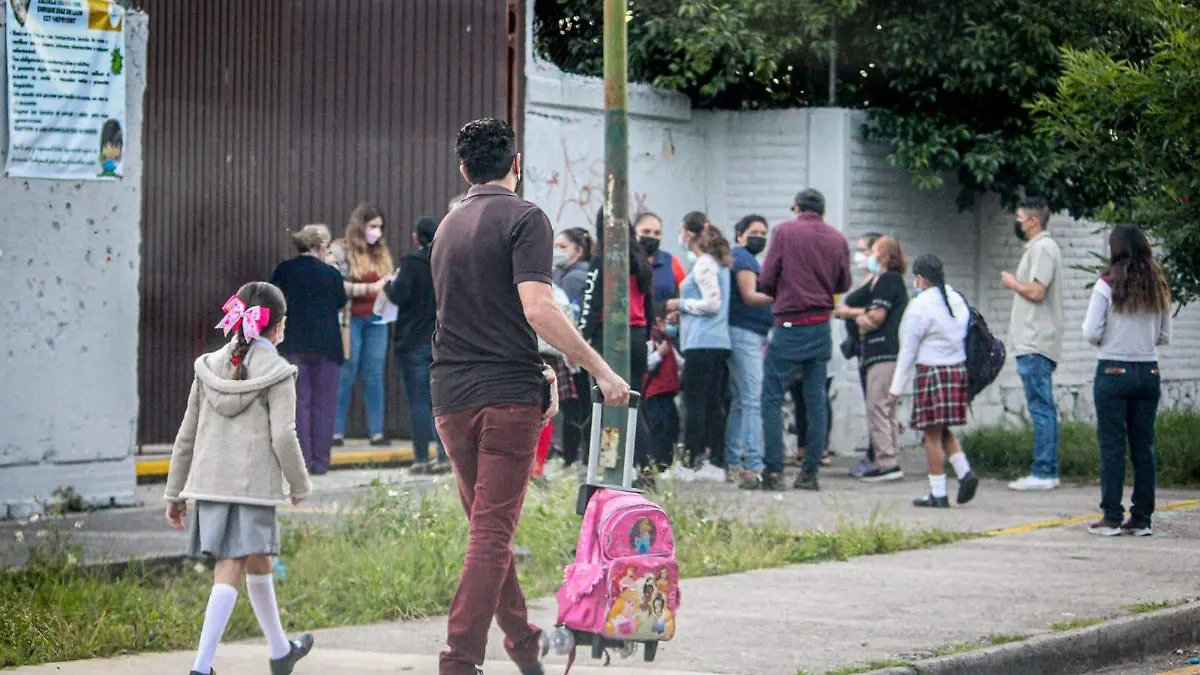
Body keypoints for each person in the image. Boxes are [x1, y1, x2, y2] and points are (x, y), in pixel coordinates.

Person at [430, 118, 629, 675]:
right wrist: (601, 372)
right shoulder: (526, 217)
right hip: (507, 398)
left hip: (450, 394)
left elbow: (465, 316)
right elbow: (537, 309)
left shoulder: (448, 225)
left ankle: (523, 641)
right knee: (492, 532)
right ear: (516, 165)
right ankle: (460, 660)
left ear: (464, 169)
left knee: (485, 530)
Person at [164, 282, 314, 675]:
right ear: (278, 327)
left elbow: (187, 434)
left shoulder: (207, 366)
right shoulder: (279, 372)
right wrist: (299, 485)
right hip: (252, 488)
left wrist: (174, 492)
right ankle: (201, 667)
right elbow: (284, 435)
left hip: (209, 484)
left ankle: (282, 652)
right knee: (232, 563)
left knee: (257, 558)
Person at [753, 189, 852, 492]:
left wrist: (779, 288)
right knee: (816, 399)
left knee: (771, 396)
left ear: (797, 208)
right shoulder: (837, 238)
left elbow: (767, 278)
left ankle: (772, 472)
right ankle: (809, 473)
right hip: (820, 326)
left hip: (789, 324)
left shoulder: (784, 232)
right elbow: (843, 282)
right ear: (821, 210)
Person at [1082, 225, 1172, 537]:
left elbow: (1091, 332)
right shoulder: (1157, 284)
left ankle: (1111, 517)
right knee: (1143, 447)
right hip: (1149, 373)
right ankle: (1142, 519)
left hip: (1113, 371)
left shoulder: (1107, 284)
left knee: (1112, 446)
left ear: (1115, 249)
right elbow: (1164, 335)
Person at [888, 255, 979, 508]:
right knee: (942, 428)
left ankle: (938, 493)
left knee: (930, 434)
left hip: (932, 373)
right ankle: (964, 473)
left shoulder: (920, 306)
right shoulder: (955, 299)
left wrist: (895, 390)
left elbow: (907, 350)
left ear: (920, 277)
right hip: (956, 370)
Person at [578, 211, 657, 479]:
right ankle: (644, 468)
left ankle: (609, 464)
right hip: (638, 337)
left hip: (609, 339)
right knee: (634, 402)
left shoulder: (603, 258)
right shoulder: (640, 259)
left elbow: (591, 299)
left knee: (606, 402)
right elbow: (649, 304)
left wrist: (581, 338)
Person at [270, 225, 348, 475]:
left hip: (294, 344)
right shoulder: (331, 274)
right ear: (321, 247)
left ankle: (301, 460)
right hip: (327, 346)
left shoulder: (284, 270)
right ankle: (320, 461)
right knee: (324, 405)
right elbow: (340, 303)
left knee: (299, 403)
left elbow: (275, 300)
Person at [1002, 196, 1065, 491]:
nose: (1017, 223)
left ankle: (1044, 471)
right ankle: (1045, 469)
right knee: (1041, 405)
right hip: (1031, 340)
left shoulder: (1043, 249)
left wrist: (1014, 283)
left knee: (1041, 406)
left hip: (1036, 340)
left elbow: (1038, 292)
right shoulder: (1038, 249)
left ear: (1033, 221)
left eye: (1019, 218)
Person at [665, 211, 732, 478]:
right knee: (713, 403)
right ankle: (714, 461)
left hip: (702, 343)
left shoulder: (705, 264)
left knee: (694, 403)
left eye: (681, 231)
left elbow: (711, 303)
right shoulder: (720, 263)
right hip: (716, 342)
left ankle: (690, 462)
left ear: (690, 234)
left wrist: (679, 304)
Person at [838, 235, 908, 482]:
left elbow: (875, 317)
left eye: (872, 252)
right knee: (882, 407)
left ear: (886, 257)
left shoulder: (889, 280)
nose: (868, 257)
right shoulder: (880, 280)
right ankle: (885, 459)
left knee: (878, 406)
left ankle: (886, 462)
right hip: (875, 353)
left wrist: (853, 316)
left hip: (883, 352)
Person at [384, 215, 448, 474]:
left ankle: (421, 458)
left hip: (412, 341)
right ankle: (443, 456)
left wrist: (389, 284)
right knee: (441, 402)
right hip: (441, 340)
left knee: (419, 402)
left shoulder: (411, 263)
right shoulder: (446, 263)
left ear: (415, 237)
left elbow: (399, 295)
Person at [329, 203, 393, 447]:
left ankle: (377, 432)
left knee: (374, 373)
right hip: (350, 319)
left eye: (380, 227)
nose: (377, 231)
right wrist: (371, 289)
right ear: (360, 226)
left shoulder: (380, 252)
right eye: (373, 226)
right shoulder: (340, 249)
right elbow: (337, 284)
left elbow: (386, 282)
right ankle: (336, 432)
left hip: (378, 319)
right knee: (347, 371)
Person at [725, 215, 774, 484]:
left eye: (764, 232)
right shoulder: (743, 257)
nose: (760, 236)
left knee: (742, 402)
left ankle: (734, 460)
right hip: (745, 336)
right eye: (754, 231)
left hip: (745, 335)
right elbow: (750, 295)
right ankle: (754, 462)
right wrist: (784, 295)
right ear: (740, 235)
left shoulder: (747, 258)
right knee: (753, 400)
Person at [835, 232, 882, 477]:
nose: (859, 255)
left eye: (864, 250)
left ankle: (879, 456)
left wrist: (848, 312)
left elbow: (876, 310)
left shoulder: (881, 281)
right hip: (861, 347)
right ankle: (875, 454)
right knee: (871, 403)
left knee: (877, 404)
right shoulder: (868, 279)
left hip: (874, 348)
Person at [552, 227, 594, 468]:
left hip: (573, 352)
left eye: (563, 247)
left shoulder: (572, 279)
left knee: (573, 406)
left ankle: (572, 458)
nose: (557, 252)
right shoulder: (582, 273)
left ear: (578, 251)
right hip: (584, 350)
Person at [644, 306, 685, 470]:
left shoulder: (667, 341)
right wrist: (659, 354)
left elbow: (680, 362)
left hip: (668, 392)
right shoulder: (651, 340)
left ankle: (668, 461)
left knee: (672, 425)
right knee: (658, 427)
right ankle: (658, 461)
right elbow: (645, 364)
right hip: (654, 393)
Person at [633, 212, 687, 304]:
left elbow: (687, 296)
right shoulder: (624, 262)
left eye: (657, 233)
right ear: (634, 233)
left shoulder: (671, 261)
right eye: (646, 231)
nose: (652, 236)